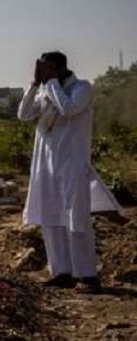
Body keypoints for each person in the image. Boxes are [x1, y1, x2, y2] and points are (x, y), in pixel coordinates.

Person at [18, 51, 123, 293]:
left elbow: (67, 109)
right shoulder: (44, 89)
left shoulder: (82, 88)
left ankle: (87, 275)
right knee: (50, 217)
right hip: (46, 165)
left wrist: (52, 81)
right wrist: (35, 84)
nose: (42, 72)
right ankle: (62, 271)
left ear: (57, 67)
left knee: (76, 218)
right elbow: (24, 114)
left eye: (46, 68)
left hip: (72, 164)